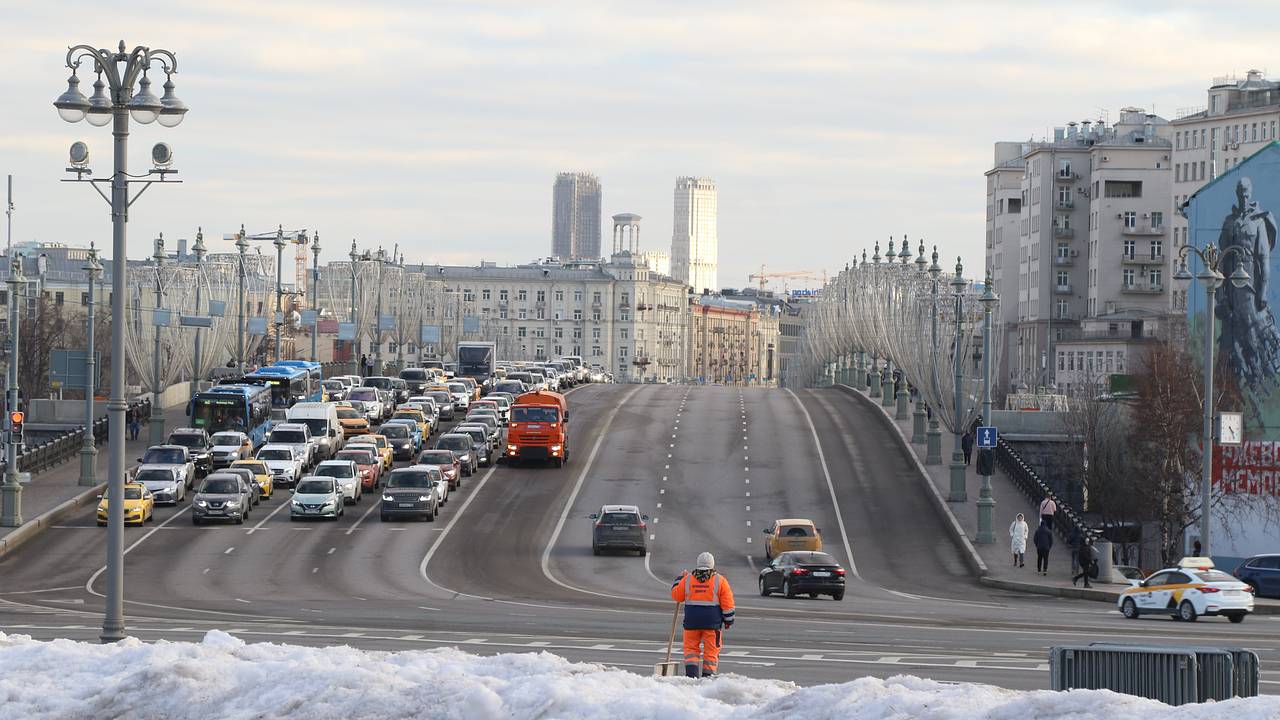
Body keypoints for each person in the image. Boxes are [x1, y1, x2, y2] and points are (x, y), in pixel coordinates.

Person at [670, 552, 736, 679]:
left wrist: (679, 579)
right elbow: (728, 605)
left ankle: (691, 677)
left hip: (691, 622)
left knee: (691, 650)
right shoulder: (720, 580)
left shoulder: (688, 579)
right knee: (711, 652)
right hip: (712, 624)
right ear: (712, 565)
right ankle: (708, 678)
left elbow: (676, 595)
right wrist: (729, 621)